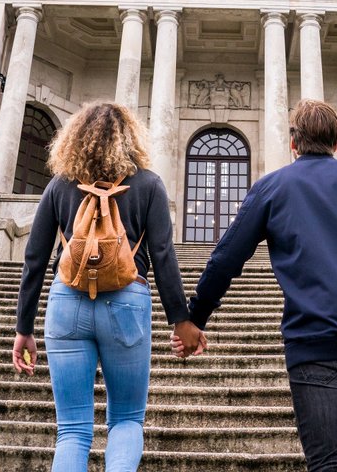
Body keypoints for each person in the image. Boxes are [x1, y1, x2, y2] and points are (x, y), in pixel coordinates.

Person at [177, 99, 337, 472]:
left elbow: (226, 259)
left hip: (318, 336)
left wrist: (195, 315)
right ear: (336, 141)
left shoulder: (273, 187)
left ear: (293, 143)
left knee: (329, 459)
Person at [12, 101, 206, 472]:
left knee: (71, 430)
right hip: (128, 301)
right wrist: (181, 321)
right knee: (127, 420)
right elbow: (163, 255)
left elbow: (35, 259)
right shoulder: (148, 183)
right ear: (129, 137)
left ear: (74, 140)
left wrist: (24, 328)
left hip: (66, 300)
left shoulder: (59, 185)